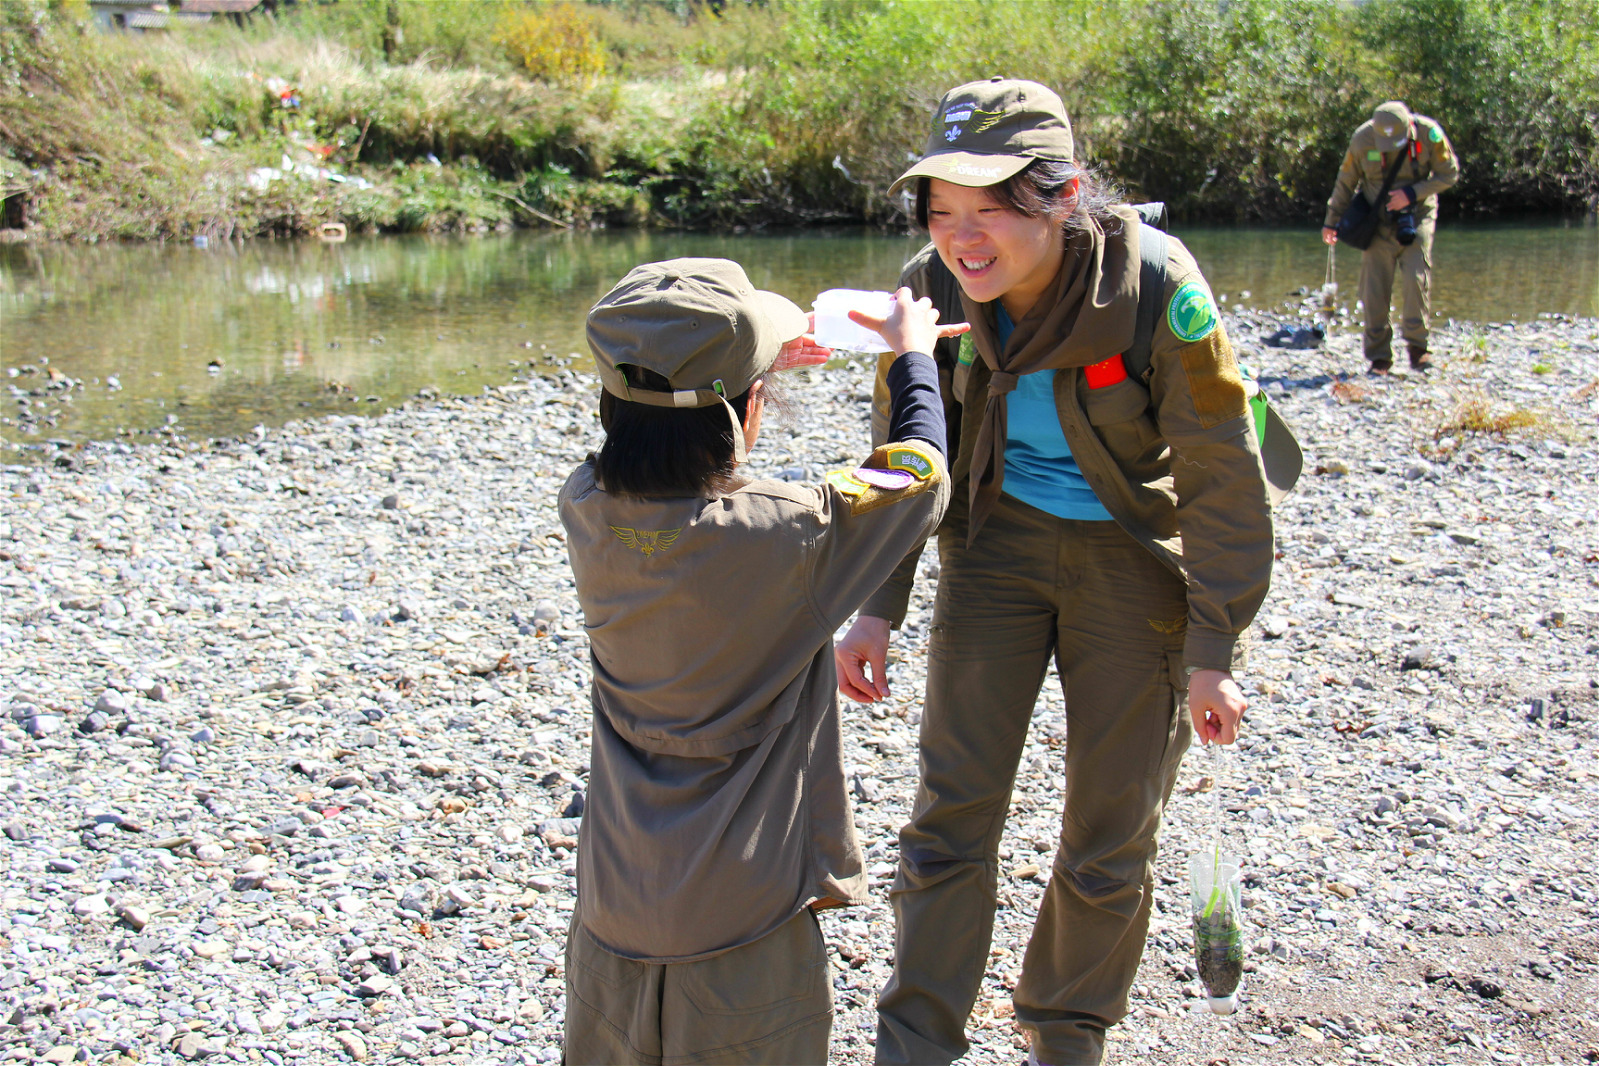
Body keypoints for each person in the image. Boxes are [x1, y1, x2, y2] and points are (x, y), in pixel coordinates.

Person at [832, 78, 1278, 1066]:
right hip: (994, 548)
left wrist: (1214, 647)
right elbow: (910, 444)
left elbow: (1221, 472)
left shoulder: (1156, 285)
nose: (963, 236)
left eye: (990, 205)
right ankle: (915, 1043)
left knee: (1111, 834)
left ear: (1063, 192)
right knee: (950, 814)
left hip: (1135, 559)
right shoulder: (935, 285)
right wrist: (875, 606)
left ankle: (1067, 1035)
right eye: (943, 209)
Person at [559, 257, 965, 1065]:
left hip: (613, 906)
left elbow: (666, 434)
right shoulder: (791, 534)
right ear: (744, 410)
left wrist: (742, 367)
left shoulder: (586, 505)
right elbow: (919, 474)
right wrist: (911, 355)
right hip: (743, 919)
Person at [1321, 100, 1459, 373]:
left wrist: (1410, 194)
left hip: (1417, 215)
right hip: (1376, 220)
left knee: (1415, 280)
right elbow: (1345, 181)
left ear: (1409, 127)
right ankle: (1379, 356)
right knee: (1374, 289)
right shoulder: (1362, 140)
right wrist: (1331, 221)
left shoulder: (1429, 134)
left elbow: (1449, 174)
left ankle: (1418, 349)